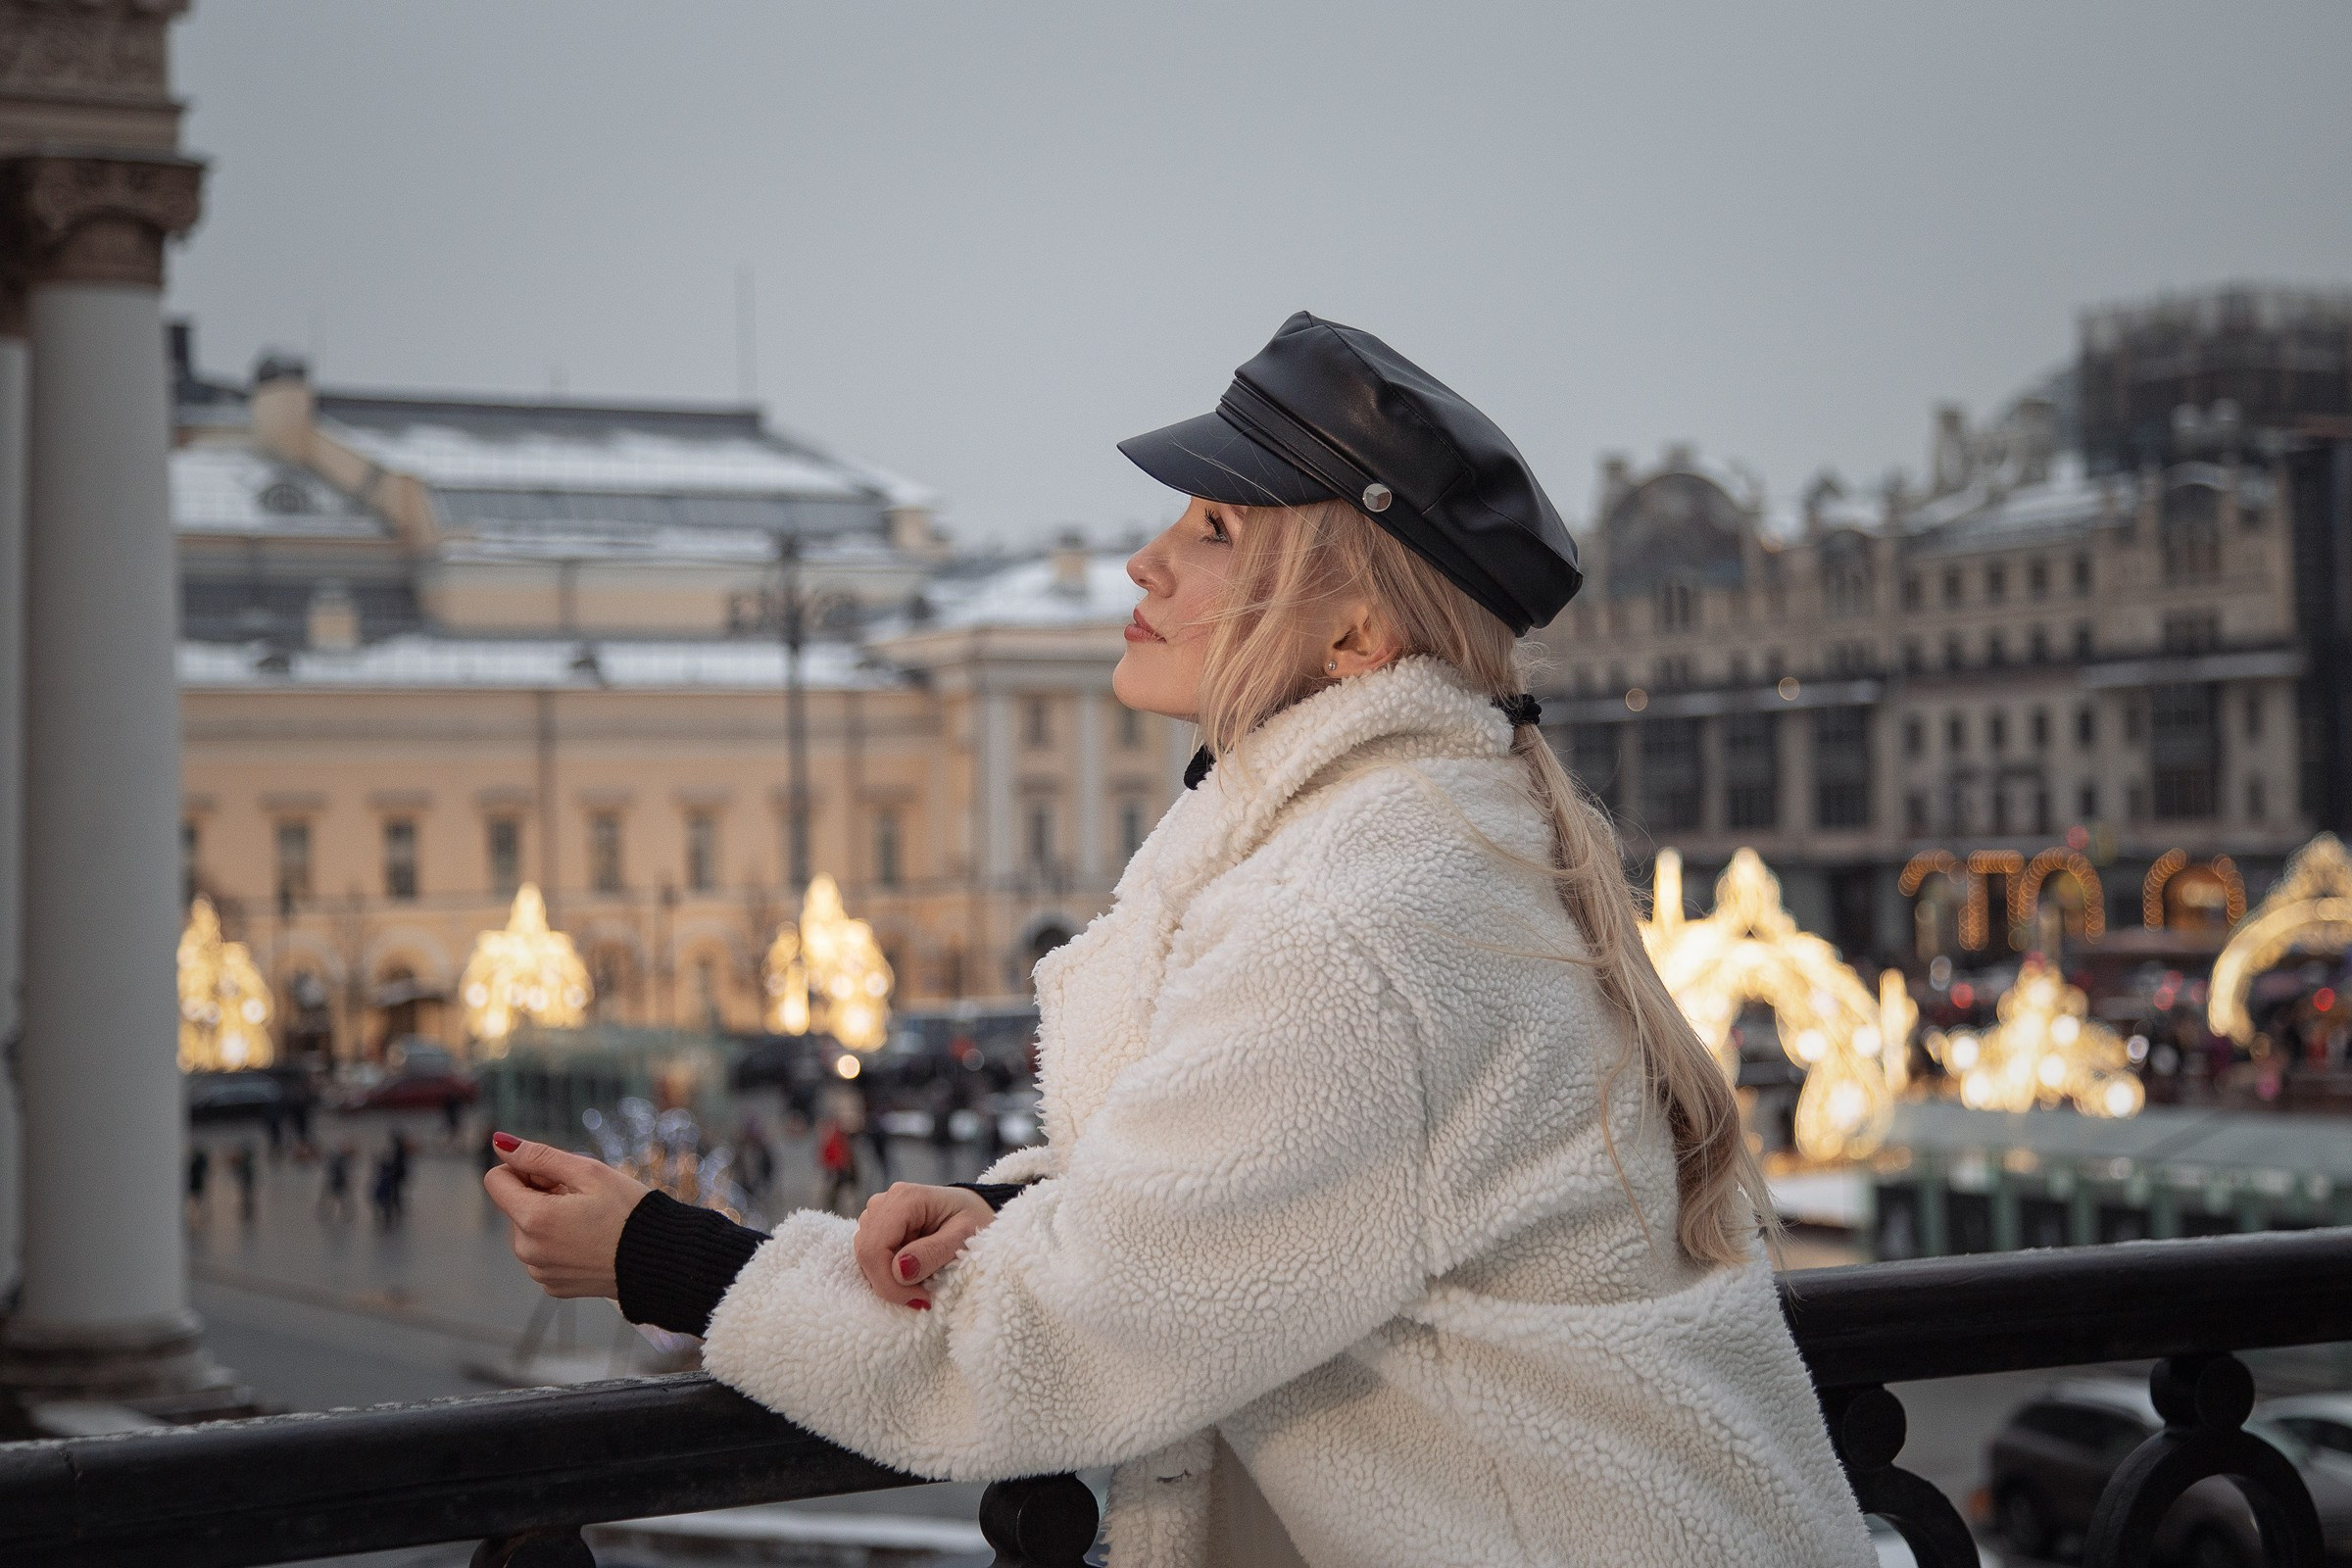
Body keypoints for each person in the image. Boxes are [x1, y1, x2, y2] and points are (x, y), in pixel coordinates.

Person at [485, 313, 1875, 1566]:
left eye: (1215, 531)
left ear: (1360, 633)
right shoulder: (1402, 839)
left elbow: (1067, 1338)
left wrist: (667, 1259)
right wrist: (1012, 1209)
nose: (1144, 557)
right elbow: (1268, 1190)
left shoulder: (1355, 917)